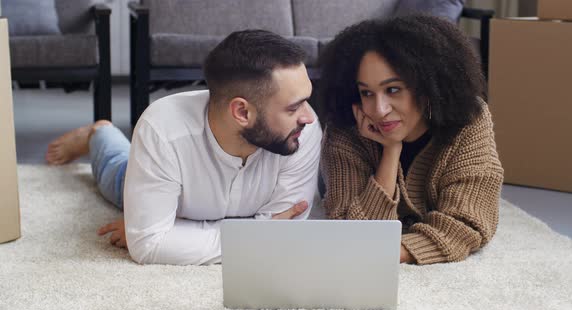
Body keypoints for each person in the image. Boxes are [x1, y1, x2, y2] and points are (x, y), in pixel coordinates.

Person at [45, 30, 322, 265]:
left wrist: (165, 234)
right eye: (294, 106)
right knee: (117, 171)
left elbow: (283, 236)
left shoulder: (302, 132)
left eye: (306, 100)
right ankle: (99, 132)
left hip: (181, 208)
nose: (309, 116)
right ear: (242, 112)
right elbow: (150, 246)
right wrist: (258, 236)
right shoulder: (163, 130)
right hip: (168, 188)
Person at [318, 15, 504, 265]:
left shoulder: (468, 120)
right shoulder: (346, 128)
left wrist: (397, 251)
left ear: (428, 86)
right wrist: (390, 152)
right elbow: (352, 230)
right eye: (367, 93)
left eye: (393, 89)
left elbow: (467, 224)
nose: (379, 109)